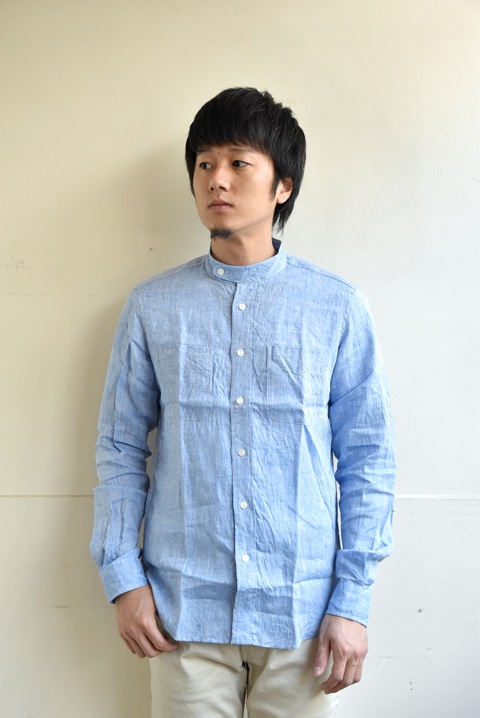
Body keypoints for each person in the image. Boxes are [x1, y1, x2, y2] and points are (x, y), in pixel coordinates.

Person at [91, 87, 395, 717]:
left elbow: (368, 458)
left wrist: (353, 601)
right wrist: (123, 579)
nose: (216, 180)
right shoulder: (152, 306)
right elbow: (120, 447)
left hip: (303, 617)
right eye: (204, 163)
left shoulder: (336, 307)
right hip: (182, 615)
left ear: (283, 185)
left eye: (237, 163)